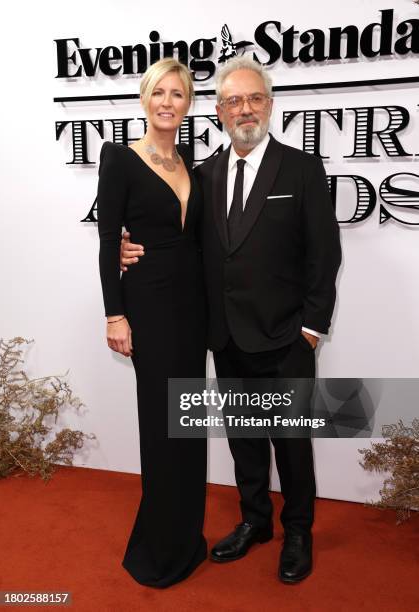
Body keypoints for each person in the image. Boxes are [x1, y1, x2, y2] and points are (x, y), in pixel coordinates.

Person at [120, 56, 341, 583]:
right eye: (233, 101)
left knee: (290, 441)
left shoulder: (302, 168)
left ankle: (299, 532)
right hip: (226, 335)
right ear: (219, 112)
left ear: (269, 104)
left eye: (254, 99)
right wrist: (128, 250)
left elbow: (324, 254)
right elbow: (179, 242)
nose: (245, 109)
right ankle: (255, 522)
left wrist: (313, 327)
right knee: (244, 438)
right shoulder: (204, 174)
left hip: (288, 337)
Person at [97, 58, 207, 588]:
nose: (168, 102)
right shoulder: (120, 157)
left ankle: (186, 537)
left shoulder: (192, 164)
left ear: (189, 103)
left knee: (185, 423)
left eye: (178, 94)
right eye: (158, 92)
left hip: (194, 309)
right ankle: (158, 549)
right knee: (161, 427)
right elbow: (106, 240)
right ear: (145, 99)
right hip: (149, 306)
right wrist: (115, 313)